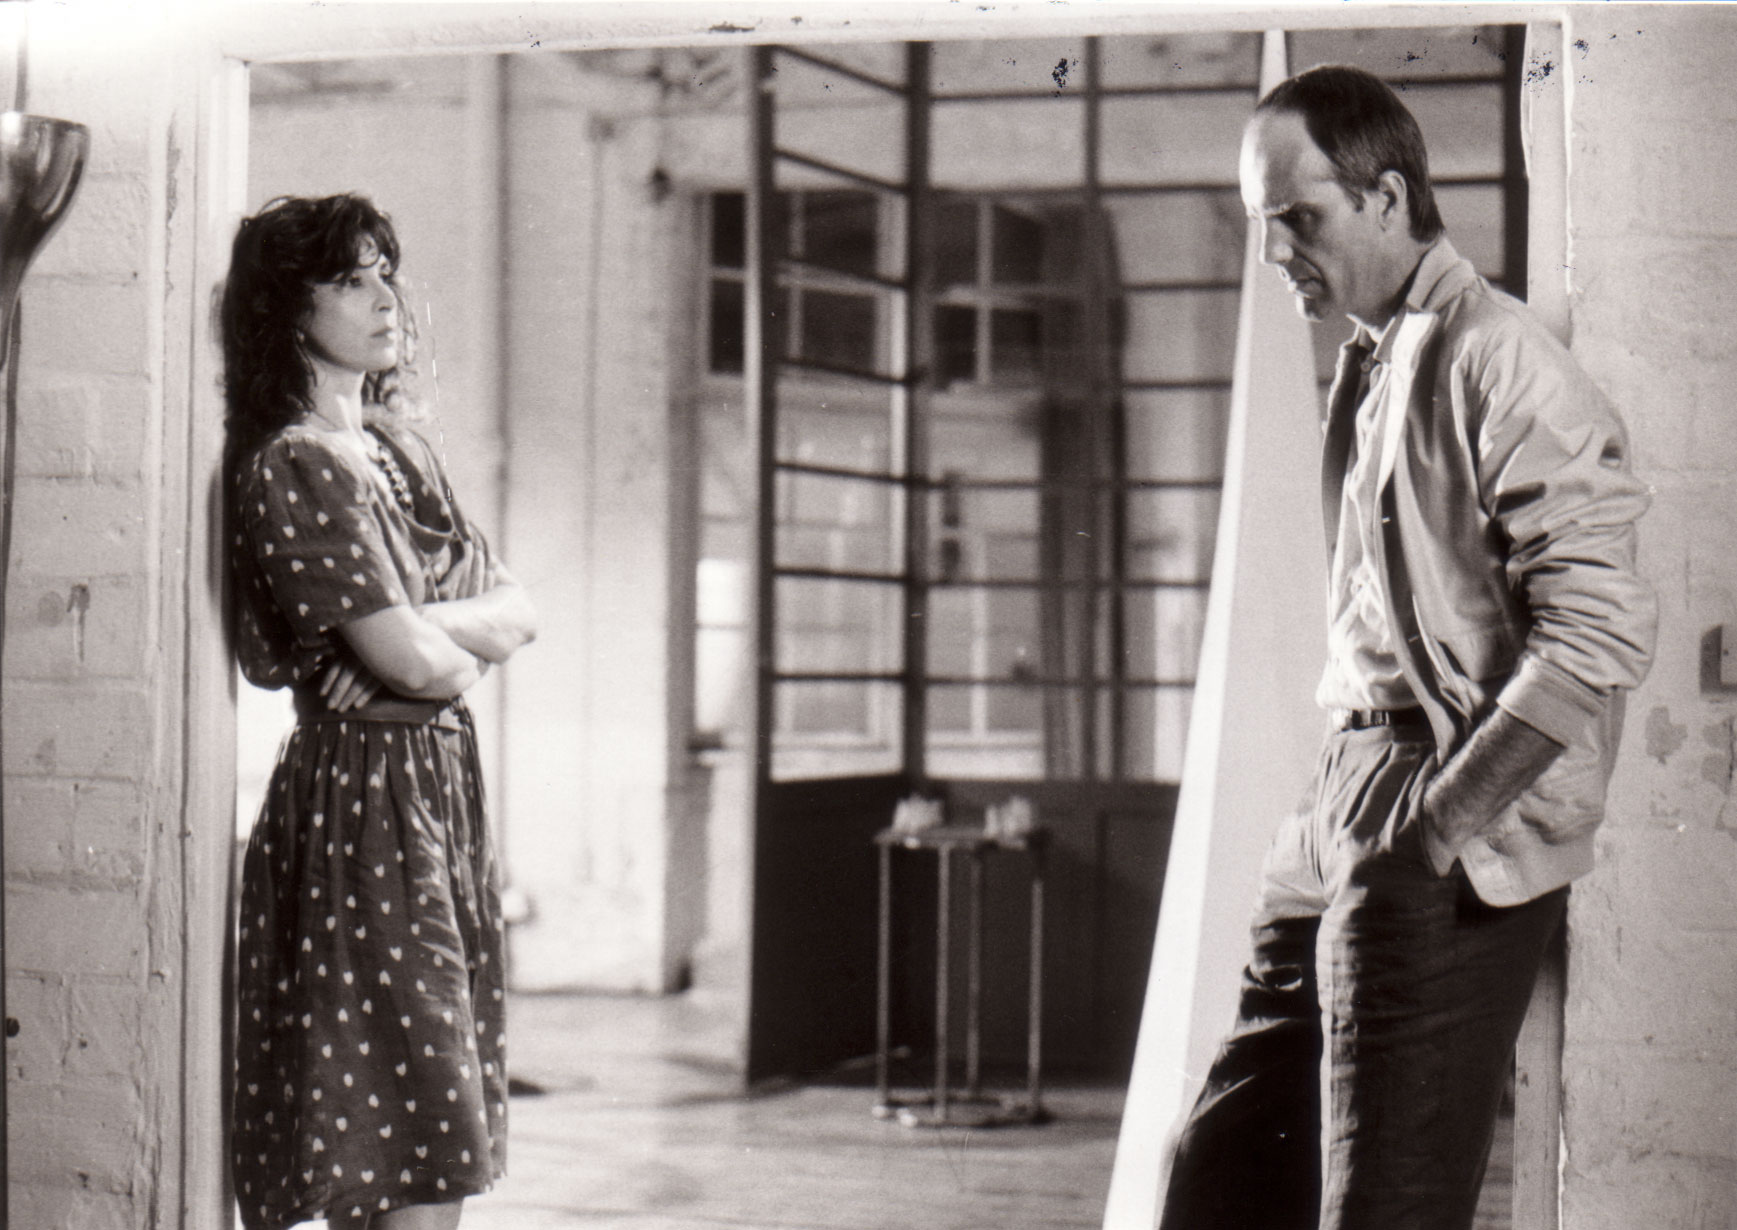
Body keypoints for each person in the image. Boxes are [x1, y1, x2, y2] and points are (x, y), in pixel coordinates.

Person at [1157, 66, 1656, 1230]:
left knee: (1384, 1205)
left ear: (1387, 198)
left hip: (1436, 815)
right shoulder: (1378, 358)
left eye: (1299, 218)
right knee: (1223, 1175)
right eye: (1263, 223)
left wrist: (1435, 830)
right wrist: (1338, 815)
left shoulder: (1500, 358)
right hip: (1343, 795)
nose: (1276, 251)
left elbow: (1594, 633)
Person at [223, 194, 536, 1230]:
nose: (384, 297)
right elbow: (417, 664)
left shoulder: (402, 452)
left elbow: (517, 611)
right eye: (349, 280)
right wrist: (426, 645)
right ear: (286, 309)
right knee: (410, 1124)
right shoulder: (294, 462)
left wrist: (425, 632)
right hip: (364, 798)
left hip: (438, 789)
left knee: (436, 1104)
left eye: (384, 273)